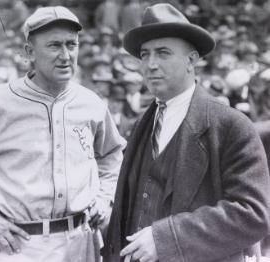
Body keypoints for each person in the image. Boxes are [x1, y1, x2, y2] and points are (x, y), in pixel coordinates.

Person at [0, 6, 126, 262]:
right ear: (29, 52)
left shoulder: (90, 102)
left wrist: (106, 198)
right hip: (17, 245)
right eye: (54, 46)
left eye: (71, 45)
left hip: (81, 242)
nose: (65, 55)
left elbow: (113, 155)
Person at [102, 4, 270, 262]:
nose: (151, 64)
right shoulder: (141, 124)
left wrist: (167, 238)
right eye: (145, 54)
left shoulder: (230, 125)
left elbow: (253, 214)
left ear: (192, 60)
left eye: (163, 53)